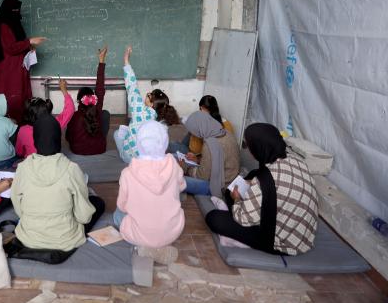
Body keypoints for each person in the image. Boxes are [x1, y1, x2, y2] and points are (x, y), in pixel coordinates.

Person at [205, 123, 318, 255]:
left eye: (249, 146)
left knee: (214, 218)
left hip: (282, 242)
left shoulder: (263, 182)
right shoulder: (295, 160)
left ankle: (240, 239)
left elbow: (243, 218)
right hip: (303, 234)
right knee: (253, 174)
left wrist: (236, 200)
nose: (248, 150)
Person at [10, 113, 105, 252]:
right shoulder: (71, 168)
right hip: (65, 238)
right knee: (97, 203)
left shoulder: (22, 168)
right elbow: (83, 217)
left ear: (35, 140)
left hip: (29, 236)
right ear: (58, 140)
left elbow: (19, 209)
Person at [114, 121, 185, 264]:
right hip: (172, 232)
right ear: (165, 142)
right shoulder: (174, 166)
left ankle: (145, 247)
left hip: (138, 235)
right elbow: (182, 187)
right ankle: (160, 245)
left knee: (117, 215)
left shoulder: (128, 173)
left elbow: (122, 206)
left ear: (139, 143)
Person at [114, 45, 179, 163]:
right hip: (149, 159)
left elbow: (132, 86)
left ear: (151, 104)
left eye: (150, 95)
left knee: (117, 133)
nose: (148, 93)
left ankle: (125, 158)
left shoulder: (139, 109)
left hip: (132, 158)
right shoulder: (161, 122)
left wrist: (126, 61)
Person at [0, 0, 47, 124]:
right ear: (8, 10)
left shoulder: (15, 24)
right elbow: (10, 48)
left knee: (20, 98)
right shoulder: (3, 25)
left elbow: (18, 43)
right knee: (10, 98)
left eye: (17, 10)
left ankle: (20, 125)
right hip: (6, 71)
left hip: (16, 69)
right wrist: (29, 41)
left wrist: (29, 47)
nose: (17, 12)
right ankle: (6, 126)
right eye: (14, 10)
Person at [180, 111, 239, 197]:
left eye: (193, 131)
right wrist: (197, 159)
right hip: (230, 179)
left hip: (220, 186)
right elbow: (218, 159)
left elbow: (201, 176)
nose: (193, 134)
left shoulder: (210, 145)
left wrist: (185, 167)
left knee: (178, 180)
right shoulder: (226, 133)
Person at [66, 46, 110, 155]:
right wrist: (101, 61)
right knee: (105, 114)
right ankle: (99, 138)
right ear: (93, 98)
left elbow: (68, 136)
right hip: (100, 148)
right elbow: (100, 87)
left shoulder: (75, 116)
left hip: (78, 151)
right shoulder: (97, 109)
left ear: (78, 100)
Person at [15, 79, 74, 158]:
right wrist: (63, 89)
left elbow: (19, 152)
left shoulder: (22, 130)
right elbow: (70, 109)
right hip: (52, 162)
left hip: (33, 164)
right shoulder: (54, 123)